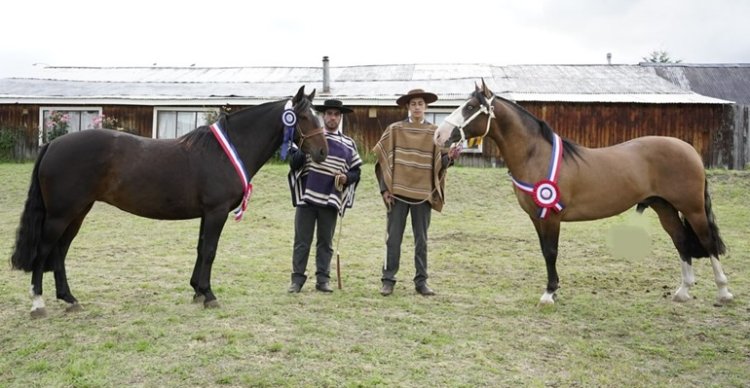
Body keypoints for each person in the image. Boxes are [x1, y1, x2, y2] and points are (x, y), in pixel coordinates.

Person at [373, 89, 458, 296]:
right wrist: (385, 189)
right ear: (408, 107)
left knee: (422, 240)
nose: (417, 107)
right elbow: (381, 161)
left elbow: (441, 163)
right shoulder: (394, 130)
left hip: (423, 196)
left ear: (425, 107)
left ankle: (421, 282)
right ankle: (388, 280)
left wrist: (452, 157)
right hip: (397, 194)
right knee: (393, 239)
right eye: (413, 104)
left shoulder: (435, 133)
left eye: (421, 103)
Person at [287, 99, 362, 293]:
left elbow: (356, 172)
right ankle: (297, 280)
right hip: (307, 197)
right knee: (302, 241)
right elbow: (293, 164)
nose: (332, 117)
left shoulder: (348, 144)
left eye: (336, 114)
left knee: (325, 243)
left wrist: (346, 177)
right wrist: (304, 151)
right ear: (323, 116)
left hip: (331, 198)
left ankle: (323, 280)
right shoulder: (309, 136)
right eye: (329, 113)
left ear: (340, 117)